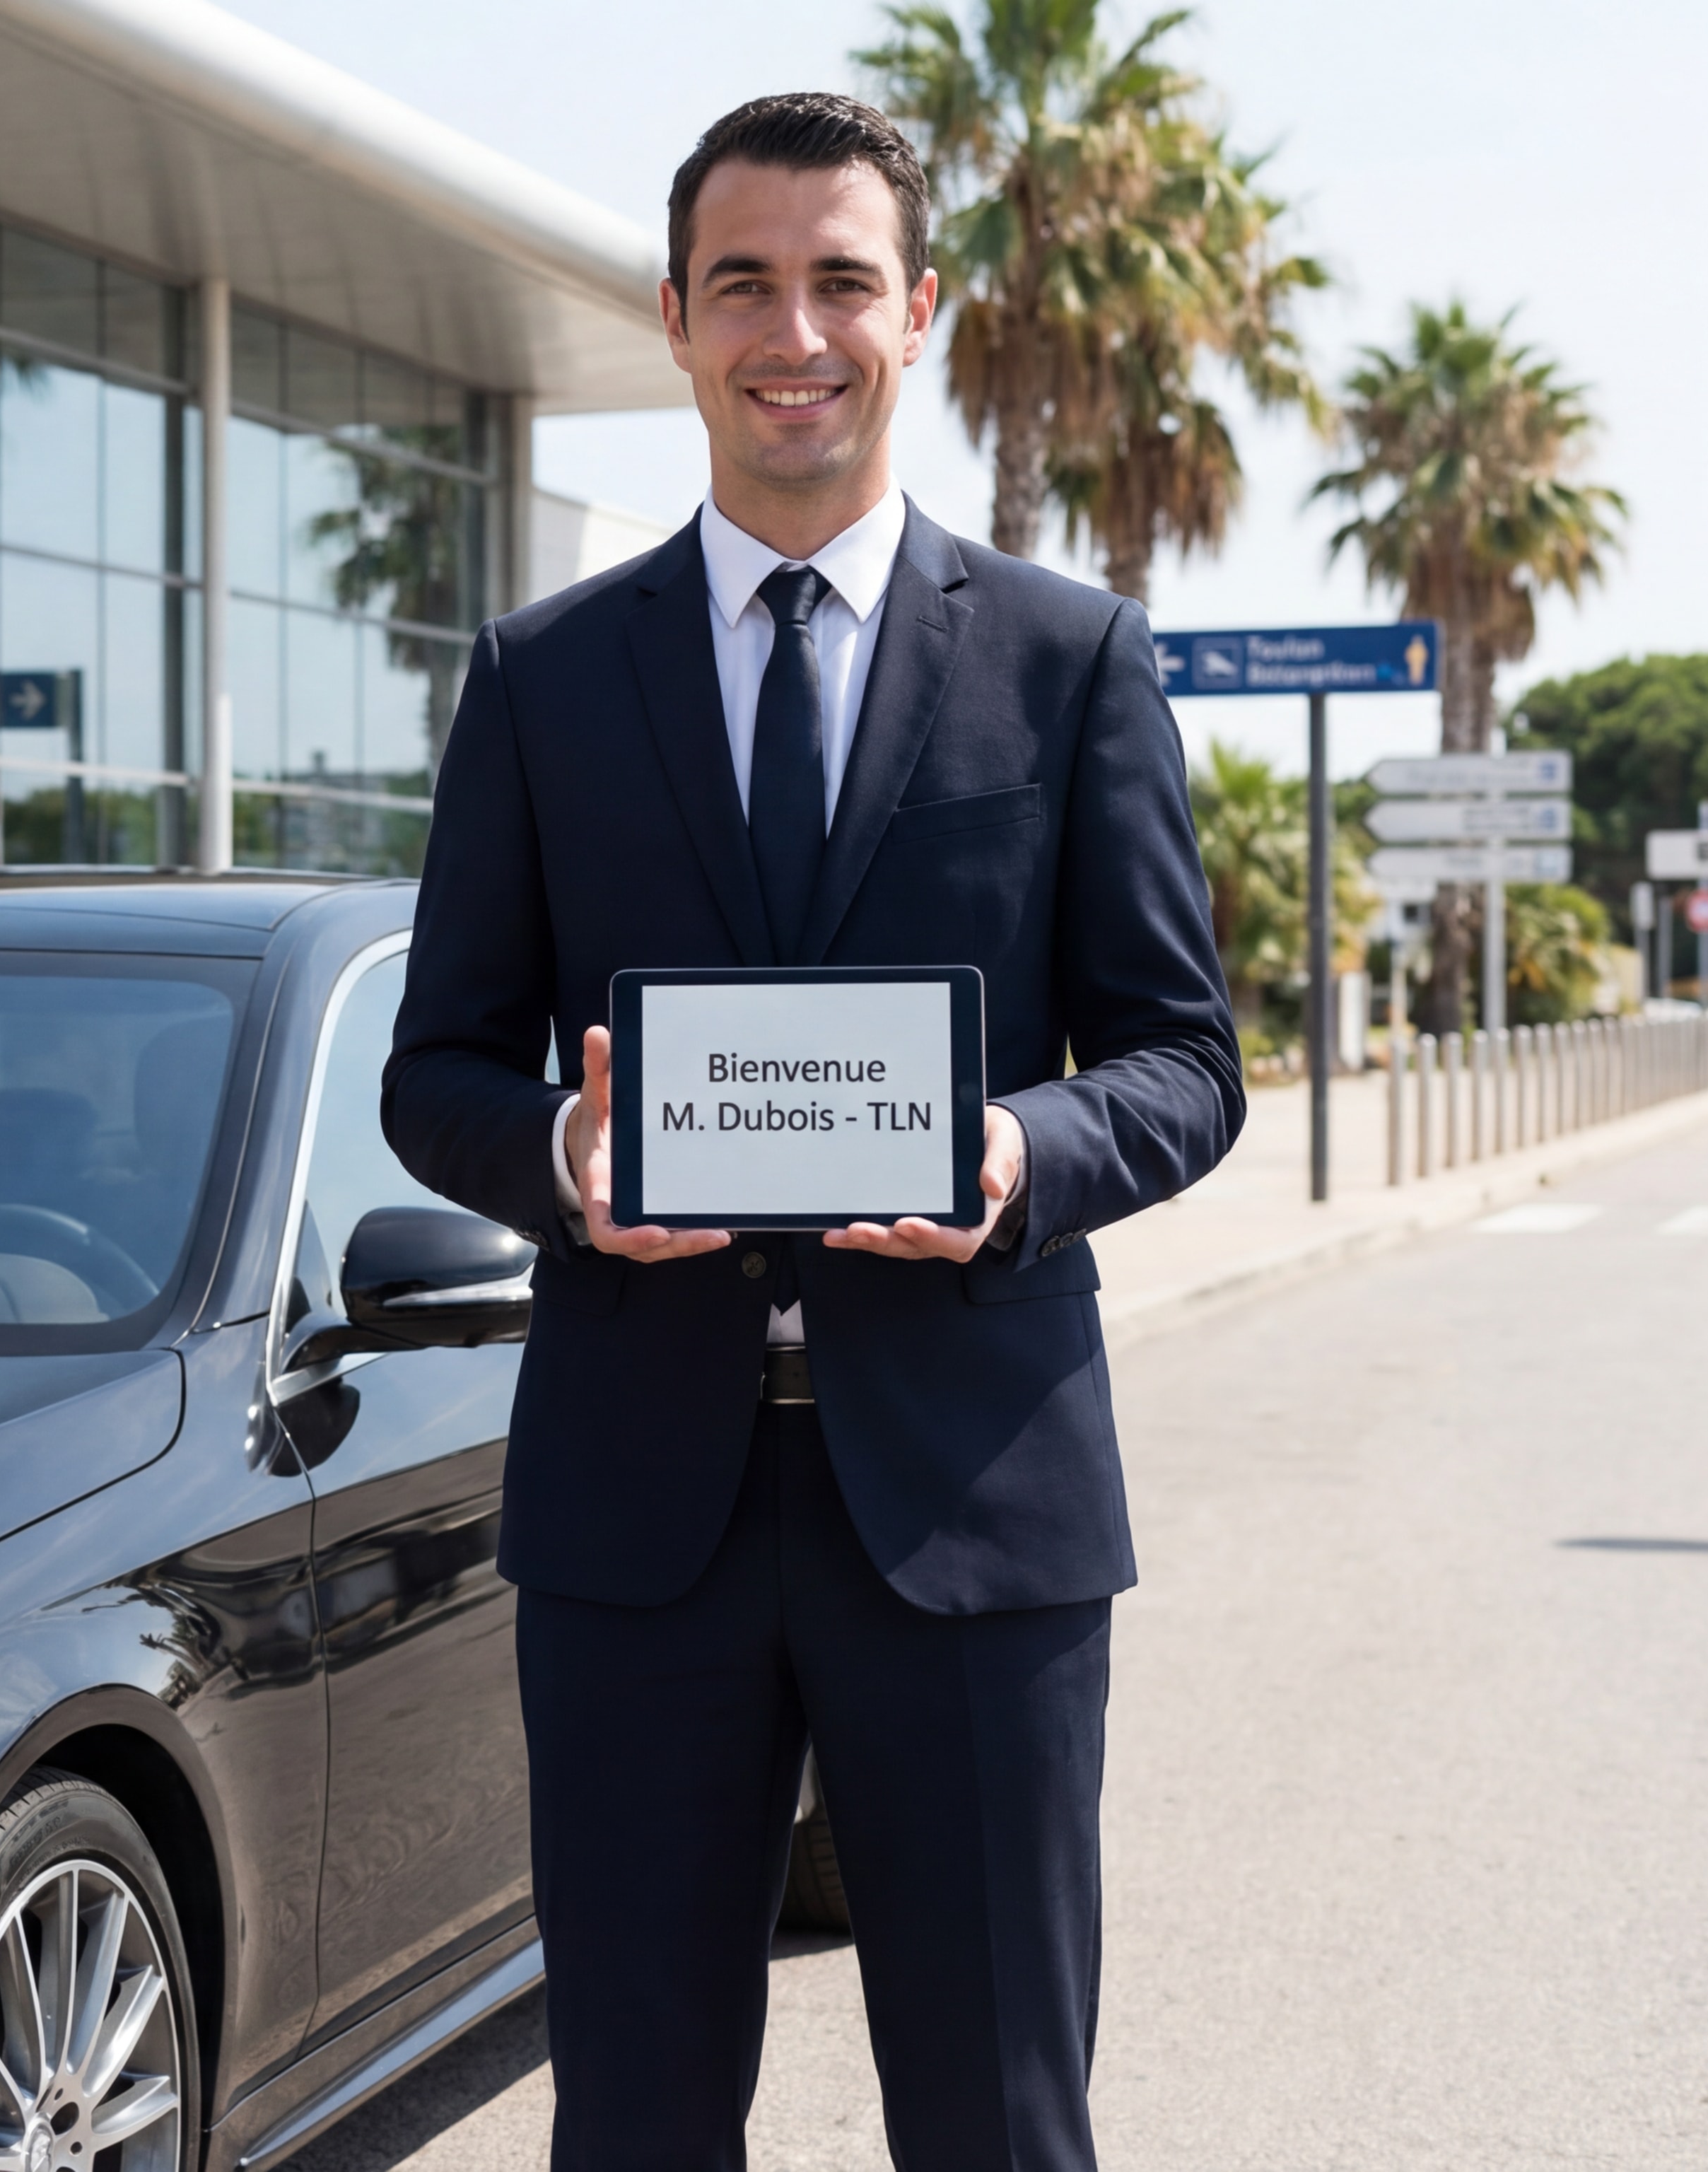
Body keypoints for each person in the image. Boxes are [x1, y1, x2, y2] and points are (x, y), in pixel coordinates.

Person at [379, 92, 1243, 2171]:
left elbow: (1183, 1060)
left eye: (843, 279)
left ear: (918, 313)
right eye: (746, 282)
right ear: (675, 319)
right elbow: (441, 1071)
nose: (798, 330)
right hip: (636, 1525)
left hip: (971, 1513)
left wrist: (1021, 1162)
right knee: (639, 2123)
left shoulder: (1070, 667)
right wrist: (561, 1176)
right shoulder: (542, 680)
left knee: (1002, 2125)